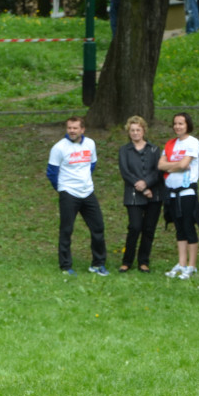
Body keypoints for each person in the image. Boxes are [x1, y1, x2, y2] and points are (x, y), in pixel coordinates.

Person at [46, 117, 108, 276]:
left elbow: (91, 165)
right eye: (69, 128)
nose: (72, 131)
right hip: (68, 193)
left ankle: (98, 264)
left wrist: (84, 181)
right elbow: (52, 172)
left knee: (98, 227)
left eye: (75, 128)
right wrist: (62, 189)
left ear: (83, 129)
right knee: (66, 230)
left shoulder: (90, 144)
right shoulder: (59, 148)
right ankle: (66, 266)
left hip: (87, 192)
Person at [159, 112, 199, 279]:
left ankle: (191, 266)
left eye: (181, 123)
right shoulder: (170, 144)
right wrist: (174, 166)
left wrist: (170, 166)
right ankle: (181, 263)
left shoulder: (193, 142)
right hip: (171, 191)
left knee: (188, 226)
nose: (178, 126)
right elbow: (160, 164)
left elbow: (186, 164)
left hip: (186, 191)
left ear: (187, 125)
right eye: (175, 123)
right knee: (178, 228)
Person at [117, 116, 163, 273]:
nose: (135, 133)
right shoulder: (124, 150)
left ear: (144, 131)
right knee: (135, 227)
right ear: (128, 132)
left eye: (138, 130)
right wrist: (142, 188)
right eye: (132, 130)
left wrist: (148, 184)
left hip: (154, 194)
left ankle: (143, 261)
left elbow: (158, 171)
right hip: (133, 194)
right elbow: (125, 172)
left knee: (149, 229)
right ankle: (127, 261)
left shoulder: (154, 149)